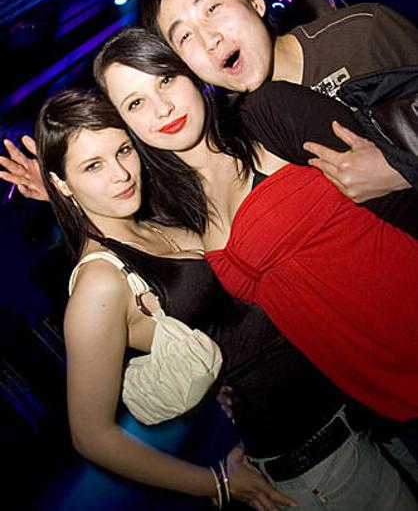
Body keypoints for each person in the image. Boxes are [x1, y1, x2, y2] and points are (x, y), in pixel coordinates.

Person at [30, 85, 418, 511]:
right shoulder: (100, 283)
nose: (120, 174)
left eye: (123, 150)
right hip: (315, 457)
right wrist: (215, 484)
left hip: (358, 405)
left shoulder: (155, 218)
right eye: (93, 166)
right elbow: (91, 436)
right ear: (61, 183)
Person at [88, 27, 418, 477]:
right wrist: (66, 191)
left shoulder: (267, 114)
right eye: (135, 103)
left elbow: (401, 187)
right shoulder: (173, 210)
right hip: (375, 395)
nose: (162, 108)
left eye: (165, 79)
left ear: (190, 72)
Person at [140, 0, 418, 204]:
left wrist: (401, 171)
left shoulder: (364, 32)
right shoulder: (239, 139)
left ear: (255, 2)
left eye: (212, 9)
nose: (209, 40)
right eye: (185, 36)